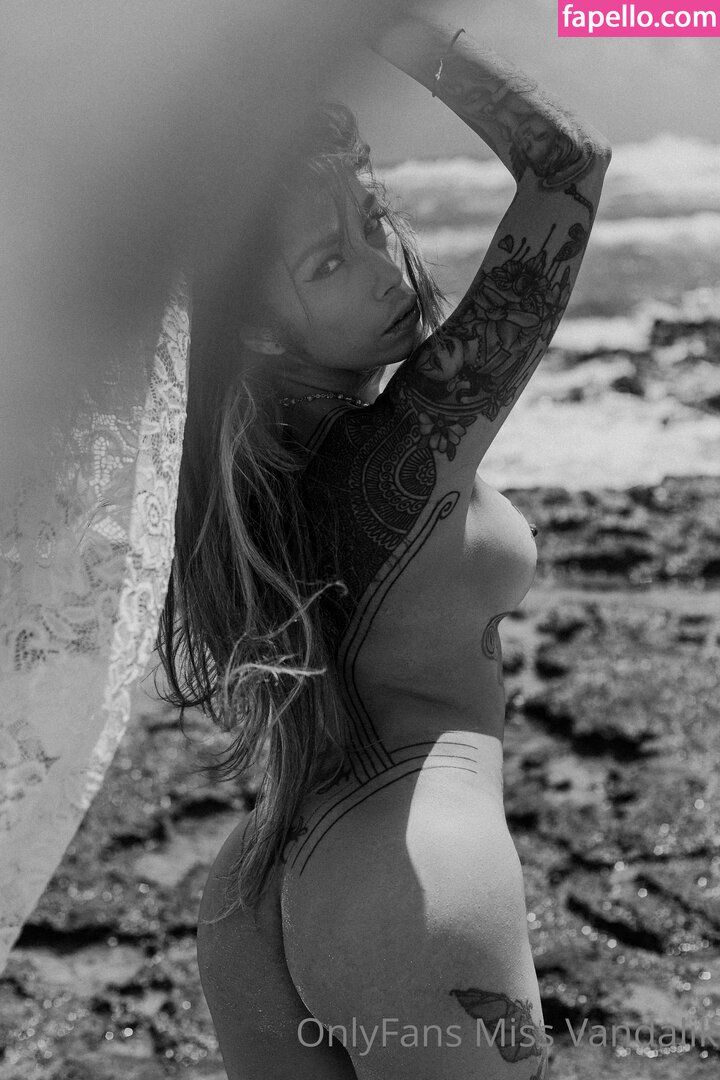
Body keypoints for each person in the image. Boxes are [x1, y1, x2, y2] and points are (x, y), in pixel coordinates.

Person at [157, 11, 611, 1079]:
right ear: (258, 330)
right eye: (328, 262)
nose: (382, 268)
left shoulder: (246, 495)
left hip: (255, 890)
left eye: (371, 218)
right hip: (413, 872)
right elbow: (567, 166)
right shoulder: (406, 445)